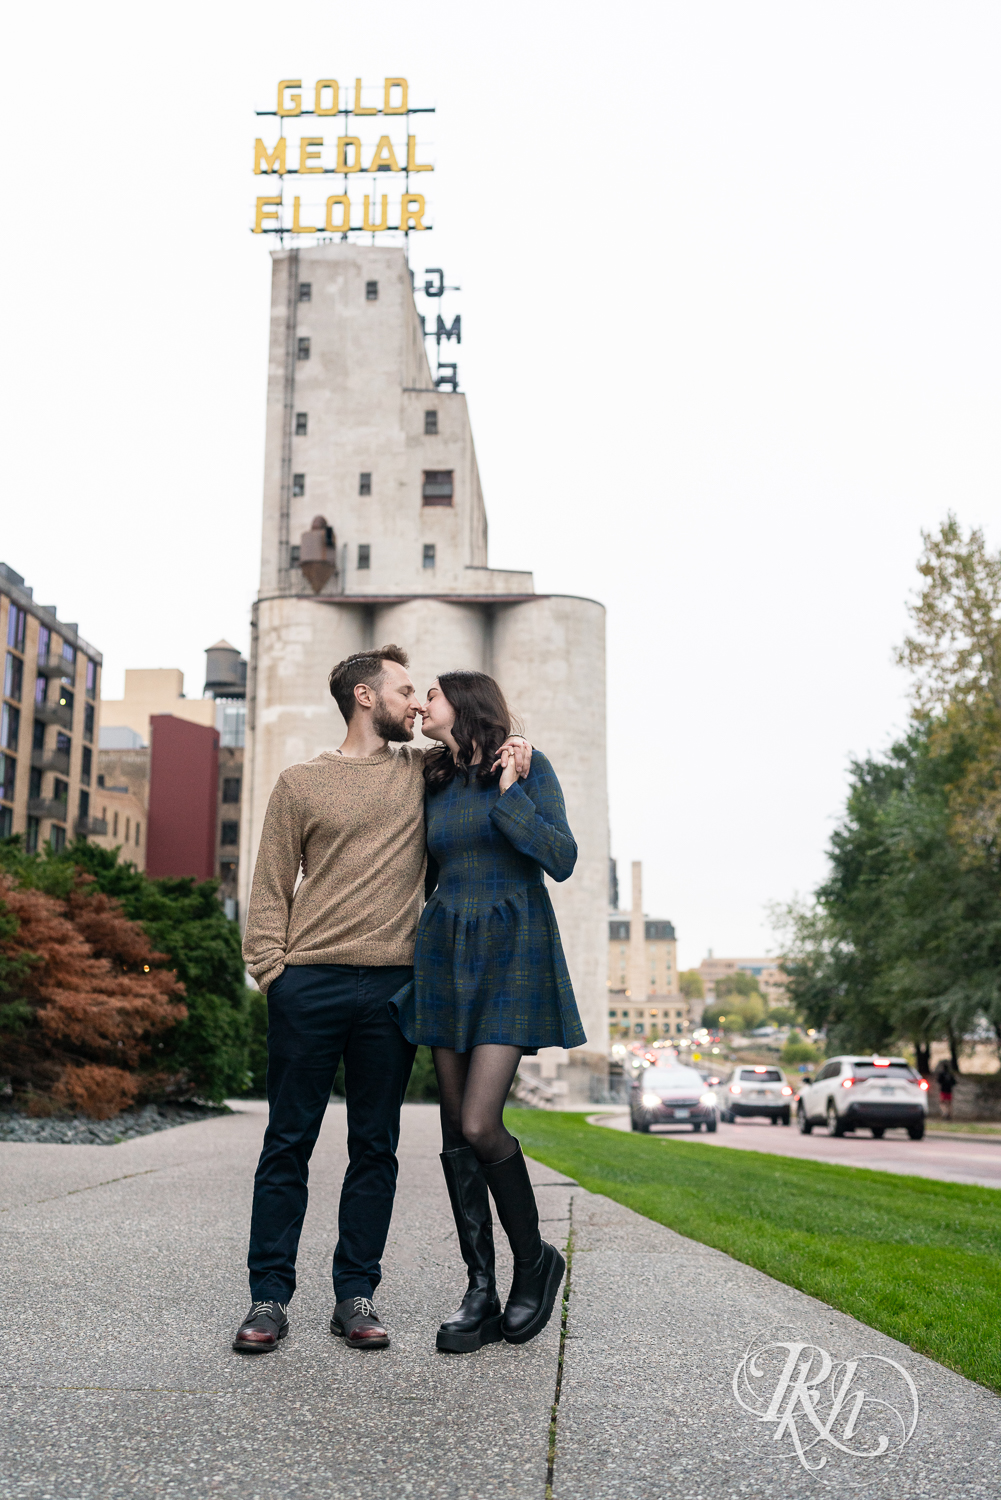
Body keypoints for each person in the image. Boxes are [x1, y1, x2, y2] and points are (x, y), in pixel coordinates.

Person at [234, 646, 530, 1355]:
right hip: (308, 983)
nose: (418, 704)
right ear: (365, 697)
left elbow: (479, 745)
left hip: (394, 987)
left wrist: (519, 748)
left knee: (376, 1147)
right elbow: (270, 886)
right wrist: (273, 974)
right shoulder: (300, 783)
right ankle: (268, 1298)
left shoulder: (424, 772)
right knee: (287, 1143)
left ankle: (355, 1295)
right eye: (405, 691)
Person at [393, 670, 585, 1353]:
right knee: (454, 1132)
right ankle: (480, 1288)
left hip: (509, 951)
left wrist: (510, 794)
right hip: (447, 953)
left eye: (432, 695)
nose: (422, 704)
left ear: (465, 703)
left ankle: (534, 1262)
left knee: (480, 1122)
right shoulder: (432, 777)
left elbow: (560, 858)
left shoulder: (526, 768)